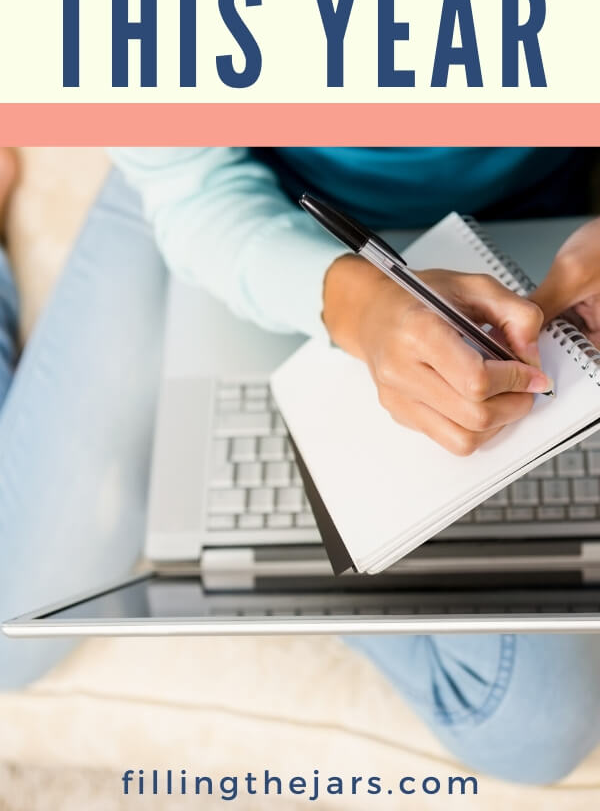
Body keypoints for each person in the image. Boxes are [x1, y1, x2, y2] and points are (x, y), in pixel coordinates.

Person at [1, 144, 600, 785]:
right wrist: (353, 308)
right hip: (226, 195)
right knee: (12, 638)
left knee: (532, 730)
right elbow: (192, 189)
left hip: (525, 210)